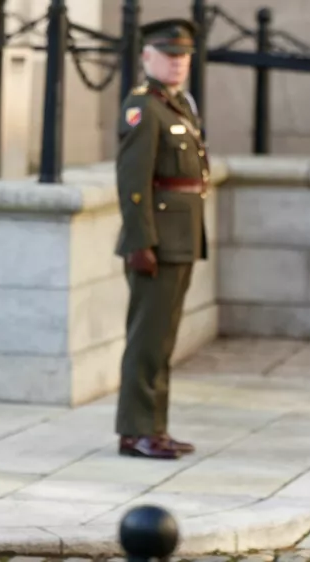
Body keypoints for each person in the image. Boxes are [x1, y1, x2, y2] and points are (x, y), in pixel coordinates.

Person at [114, 18, 210, 461]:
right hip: (155, 242)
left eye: (183, 55)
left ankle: (156, 426)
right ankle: (135, 432)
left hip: (180, 238)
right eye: (169, 55)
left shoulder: (178, 104)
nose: (177, 63)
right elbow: (133, 183)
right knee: (147, 340)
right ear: (147, 57)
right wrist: (140, 244)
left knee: (164, 342)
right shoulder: (143, 107)